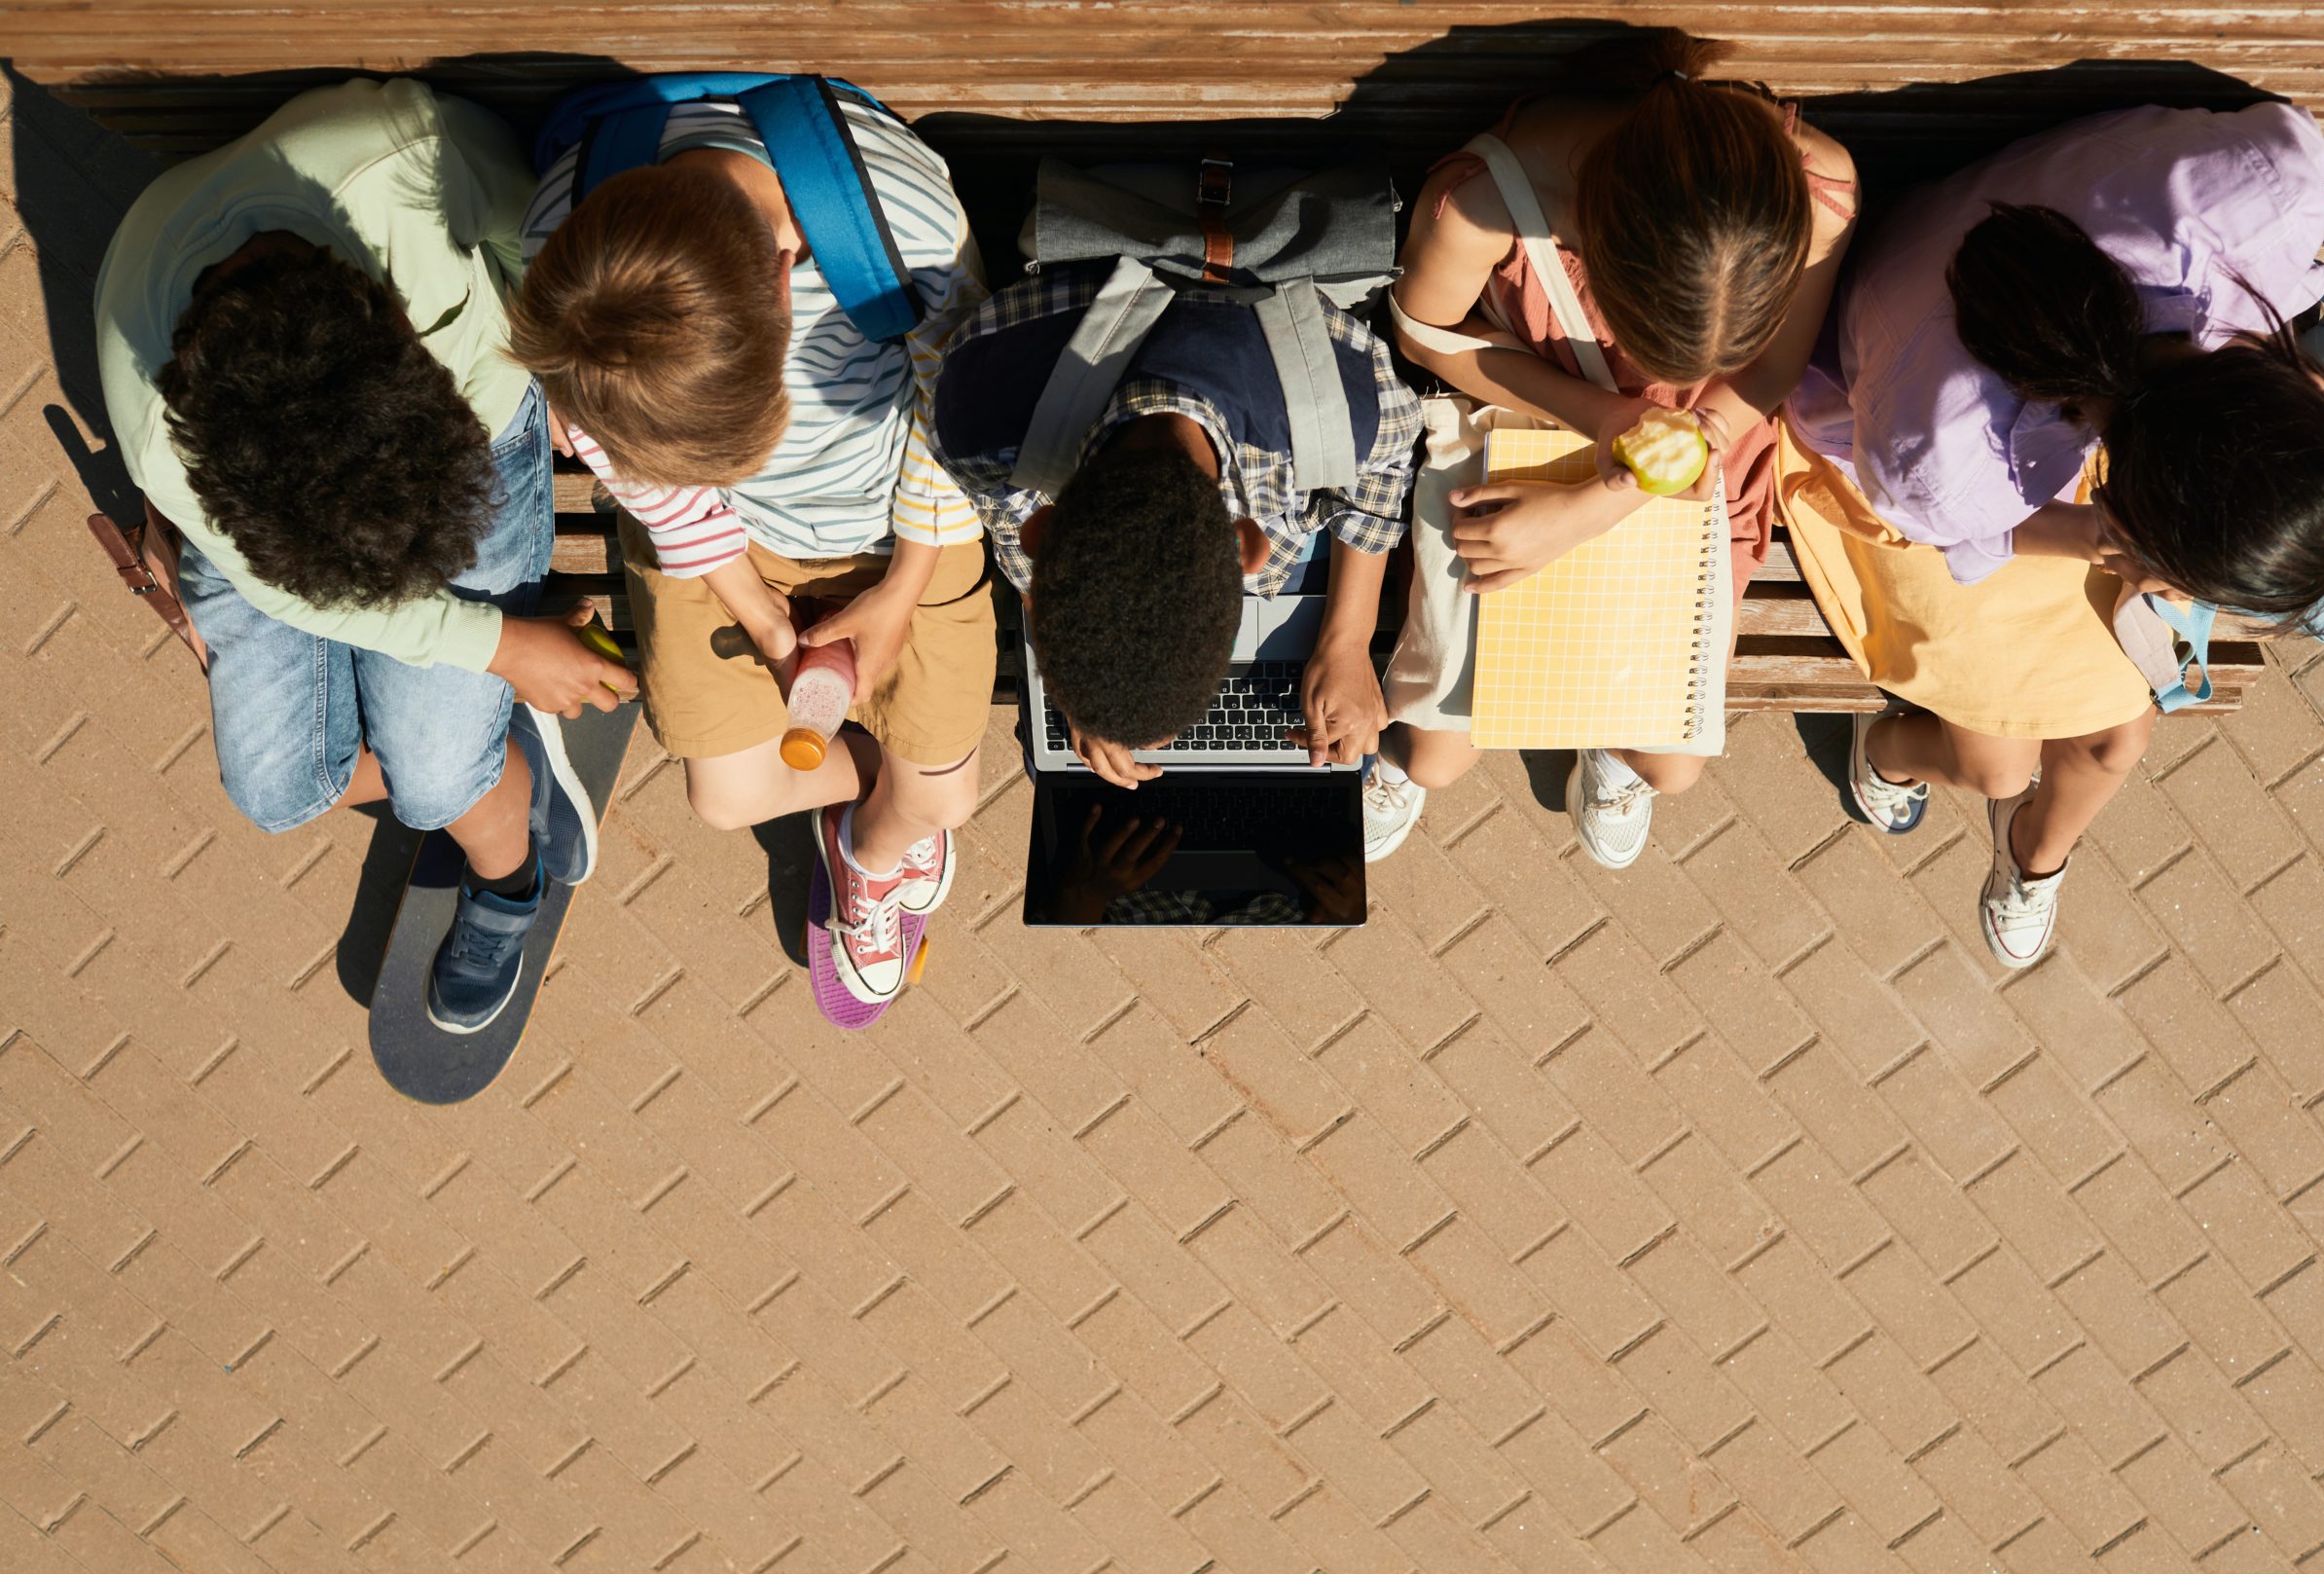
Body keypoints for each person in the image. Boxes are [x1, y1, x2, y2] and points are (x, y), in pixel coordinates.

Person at [1779, 101, 2324, 968]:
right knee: (2004, 767)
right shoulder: (1947, 469)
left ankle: (2030, 853)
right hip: (1866, 441)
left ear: (2309, 389)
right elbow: (1954, 535)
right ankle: (1894, 754)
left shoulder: (2271, 196)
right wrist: (2093, 538)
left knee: (2112, 737)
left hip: (1971, 374)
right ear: (2135, 527)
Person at [92, 78, 629, 1037]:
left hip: (478, 436)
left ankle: (508, 878)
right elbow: (293, 596)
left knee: (435, 781)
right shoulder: (165, 443)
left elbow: (540, 246)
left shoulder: (401, 166)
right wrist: (495, 646)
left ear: (400, 325)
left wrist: (567, 379)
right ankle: (489, 737)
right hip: (275, 510)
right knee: (278, 794)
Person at [507, 86, 994, 1007]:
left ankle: (872, 847)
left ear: (784, 278)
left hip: (907, 519)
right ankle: (892, 802)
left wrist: (903, 587)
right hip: (718, 544)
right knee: (726, 801)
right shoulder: (572, 267)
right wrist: (766, 624)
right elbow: (641, 470)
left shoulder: (899, 222)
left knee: (944, 802)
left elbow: (959, 400)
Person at [1366, 28, 1858, 869]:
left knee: (1672, 765)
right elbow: (1424, 335)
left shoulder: (1813, 188)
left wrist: (1616, 491)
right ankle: (1572, 726)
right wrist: (1605, 419)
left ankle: (1605, 740)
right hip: (1535, 434)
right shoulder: (1485, 203)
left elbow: (1769, 369)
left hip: (1703, 456)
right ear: (1592, 248)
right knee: (1438, 758)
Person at [928, 226, 1422, 788]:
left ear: (1252, 544)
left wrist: (1350, 638)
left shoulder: (973, 420)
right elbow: (1388, 459)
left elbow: (1391, 463)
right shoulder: (973, 414)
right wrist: (1094, 697)